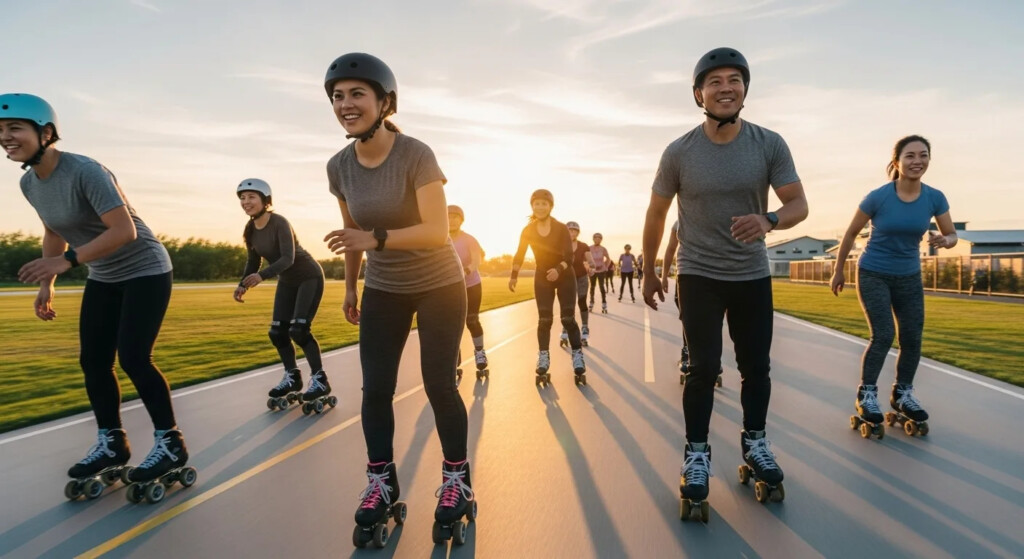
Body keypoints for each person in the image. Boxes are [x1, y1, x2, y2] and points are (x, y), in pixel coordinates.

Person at [639, 48, 809, 512]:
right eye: (715, 81)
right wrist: (652, 269)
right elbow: (656, 212)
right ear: (699, 93)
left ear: (745, 90)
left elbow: (798, 204)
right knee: (704, 368)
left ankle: (755, 443)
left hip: (751, 273)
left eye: (735, 79)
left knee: (757, 367)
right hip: (698, 273)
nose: (726, 87)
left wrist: (770, 219)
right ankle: (696, 453)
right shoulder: (679, 152)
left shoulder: (768, 143)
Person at [320, 53, 474, 543]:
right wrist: (349, 284)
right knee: (376, 390)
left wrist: (377, 239)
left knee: (439, 385)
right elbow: (350, 233)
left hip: (439, 284)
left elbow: (434, 232)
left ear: (384, 102)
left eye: (357, 94)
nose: (346, 104)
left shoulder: (415, 154)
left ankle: (456, 481)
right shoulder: (338, 166)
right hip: (383, 287)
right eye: (338, 96)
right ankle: (381, 483)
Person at [4, 93, 191, 494]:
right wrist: (46, 284)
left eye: (14, 128)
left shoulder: (85, 171)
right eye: (1, 130)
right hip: (104, 274)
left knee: (135, 358)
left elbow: (125, 231)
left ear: (46, 132)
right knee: (93, 361)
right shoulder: (28, 183)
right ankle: (112, 442)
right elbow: (53, 230)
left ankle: (169, 442)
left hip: (145, 269)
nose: (5, 137)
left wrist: (67, 263)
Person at [830, 135, 955, 436]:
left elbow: (951, 235)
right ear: (897, 161)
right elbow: (849, 234)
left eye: (923, 155)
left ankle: (902, 393)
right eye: (910, 156)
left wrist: (945, 240)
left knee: (912, 337)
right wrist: (838, 271)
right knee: (884, 334)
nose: (917, 161)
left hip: (909, 276)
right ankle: (867, 395)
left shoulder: (934, 197)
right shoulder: (879, 197)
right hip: (873, 272)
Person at [233, 179, 331, 412]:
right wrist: (242, 284)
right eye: (242, 198)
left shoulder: (279, 222)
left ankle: (319, 379)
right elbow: (253, 260)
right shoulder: (250, 229)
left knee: (299, 330)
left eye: (251, 197)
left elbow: (288, 258)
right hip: (287, 281)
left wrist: (262, 276)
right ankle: (292, 376)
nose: (246, 202)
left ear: (265, 200)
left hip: (308, 276)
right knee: (277, 332)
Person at [509, 189, 587, 380]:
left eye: (544, 204)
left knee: (567, 318)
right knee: (544, 320)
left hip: (565, 275)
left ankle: (577, 356)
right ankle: (543, 357)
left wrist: (558, 269)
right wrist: (514, 275)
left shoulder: (561, 228)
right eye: (537, 204)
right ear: (532, 206)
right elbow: (519, 254)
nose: (540, 207)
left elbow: (569, 256)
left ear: (550, 206)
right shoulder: (527, 230)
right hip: (542, 276)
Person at [448, 204, 489, 376]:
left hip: (471, 284)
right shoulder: (440, 238)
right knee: (451, 324)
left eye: (455, 217)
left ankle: (480, 352)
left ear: (461, 220)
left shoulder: (469, 239)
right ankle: (454, 358)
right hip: (449, 288)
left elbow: (476, 260)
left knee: (471, 320)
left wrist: (466, 270)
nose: (452, 220)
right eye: (449, 217)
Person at [559, 221, 595, 347]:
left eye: (574, 231)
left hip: (581, 278)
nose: (571, 233)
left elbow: (590, 261)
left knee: (581, 301)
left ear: (577, 233)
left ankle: (585, 328)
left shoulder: (583, 246)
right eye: (569, 230)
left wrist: (591, 268)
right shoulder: (560, 246)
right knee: (568, 305)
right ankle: (565, 329)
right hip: (566, 279)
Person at [588, 232, 610, 313]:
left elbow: (608, 259)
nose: (597, 239)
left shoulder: (603, 249)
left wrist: (605, 266)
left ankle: (604, 303)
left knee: (601, 286)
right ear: (593, 239)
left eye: (599, 238)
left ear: (601, 240)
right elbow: (586, 259)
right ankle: (591, 302)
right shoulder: (589, 248)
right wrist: (589, 267)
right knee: (592, 287)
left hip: (601, 270)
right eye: (595, 238)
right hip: (592, 271)